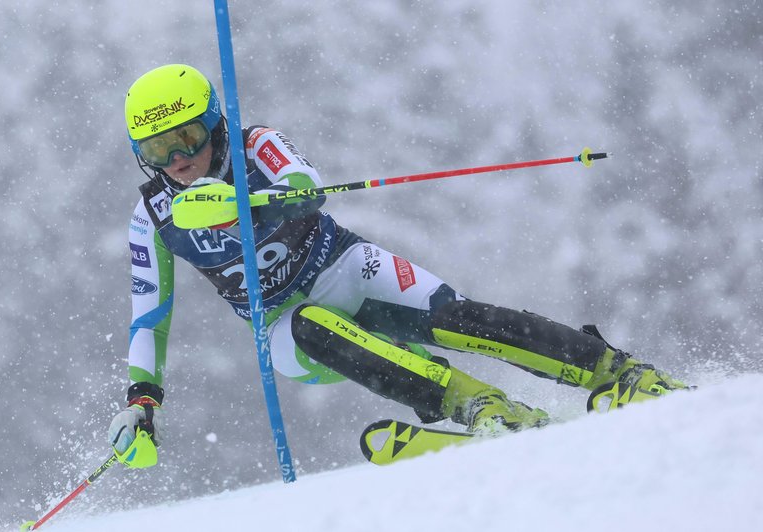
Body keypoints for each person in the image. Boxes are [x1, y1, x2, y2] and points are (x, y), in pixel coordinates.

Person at [108, 64, 688, 468]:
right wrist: (141, 402)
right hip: (286, 326)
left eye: (186, 138)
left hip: (343, 266)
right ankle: (481, 407)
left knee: (457, 320)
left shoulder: (256, 143)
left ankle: (617, 371)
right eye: (157, 150)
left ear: (214, 124)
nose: (179, 160)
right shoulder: (150, 218)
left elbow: (307, 187)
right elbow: (149, 318)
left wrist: (257, 200)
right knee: (306, 327)